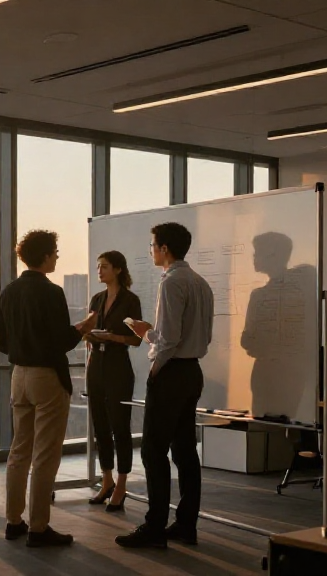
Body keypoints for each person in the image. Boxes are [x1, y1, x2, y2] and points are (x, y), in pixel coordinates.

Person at [116, 222, 213, 549]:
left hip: (171, 372)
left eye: (152, 245)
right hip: (192, 372)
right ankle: (186, 524)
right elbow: (198, 335)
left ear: (165, 249)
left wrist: (147, 336)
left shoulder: (172, 283)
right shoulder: (200, 282)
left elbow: (168, 338)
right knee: (185, 450)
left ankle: (154, 527)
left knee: (153, 451)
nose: (151, 250)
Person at [0, 230, 96, 547]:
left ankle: (14, 521)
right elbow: (61, 341)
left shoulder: (9, 292)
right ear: (44, 256)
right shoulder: (52, 293)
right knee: (45, 455)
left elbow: (1, 341)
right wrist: (82, 328)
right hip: (47, 378)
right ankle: (38, 528)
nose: (56, 257)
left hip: (19, 376)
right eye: (54, 252)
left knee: (19, 452)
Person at [85, 250, 142, 512]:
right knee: (100, 425)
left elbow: (137, 339)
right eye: (98, 267)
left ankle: (121, 483)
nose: (100, 271)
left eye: (104, 266)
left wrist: (113, 338)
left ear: (118, 269)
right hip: (96, 364)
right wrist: (93, 336)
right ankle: (105, 479)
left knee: (120, 426)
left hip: (119, 365)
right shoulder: (96, 299)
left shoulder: (130, 300)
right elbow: (87, 331)